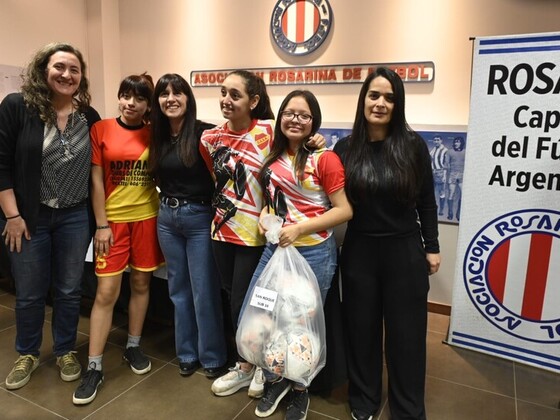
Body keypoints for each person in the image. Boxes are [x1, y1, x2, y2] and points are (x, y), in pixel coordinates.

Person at [200, 70, 325, 400]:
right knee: (231, 294)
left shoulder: (269, 131)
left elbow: (297, 144)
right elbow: (216, 178)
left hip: (259, 235)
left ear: (254, 101)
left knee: (254, 302)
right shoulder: (210, 138)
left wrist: (318, 140)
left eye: (235, 95)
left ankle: (255, 364)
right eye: (223, 93)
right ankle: (247, 362)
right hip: (221, 229)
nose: (227, 100)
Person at [333, 67, 440, 420]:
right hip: (360, 251)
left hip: (404, 251)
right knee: (361, 331)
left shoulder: (412, 145)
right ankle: (364, 400)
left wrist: (432, 245)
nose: (380, 103)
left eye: (389, 97)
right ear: (363, 99)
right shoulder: (345, 148)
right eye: (374, 95)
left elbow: (427, 200)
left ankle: (407, 408)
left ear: (399, 104)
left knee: (406, 337)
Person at [0, 43, 100, 390]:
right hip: (29, 218)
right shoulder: (18, 107)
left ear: (80, 77)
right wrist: (12, 216)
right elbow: (1, 166)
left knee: (70, 289)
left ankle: (64, 350)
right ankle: (27, 353)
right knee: (29, 291)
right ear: (44, 70)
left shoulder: (89, 116)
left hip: (74, 217)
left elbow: (97, 171)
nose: (66, 75)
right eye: (60, 67)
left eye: (74, 70)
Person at [247, 90, 352, 420]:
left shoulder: (325, 159)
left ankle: (300, 390)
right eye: (289, 113)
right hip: (274, 252)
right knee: (264, 314)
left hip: (314, 255)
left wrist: (300, 229)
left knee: (300, 326)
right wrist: (267, 219)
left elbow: (345, 210)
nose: (295, 119)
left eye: (303, 115)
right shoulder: (273, 157)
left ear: (313, 122)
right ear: (280, 118)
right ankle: (275, 379)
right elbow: (272, 201)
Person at [72, 74, 164, 405]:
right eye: (125, 96)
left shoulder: (156, 132)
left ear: (147, 105)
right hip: (112, 224)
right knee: (106, 292)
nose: (130, 103)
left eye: (138, 99)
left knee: (141, 285)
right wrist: (101, 225)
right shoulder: (102, 129)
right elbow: (96, 182)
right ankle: (94, 366)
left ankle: (133, 347)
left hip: (147, 220)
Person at [148, 74, 227, 380]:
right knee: (177, 289)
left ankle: (212, 356)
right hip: (166, 218)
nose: (171, 98)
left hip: (198, 218)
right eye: (164, 93)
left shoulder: (205, 133)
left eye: (177, 92)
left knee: (203, 290)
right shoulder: (157, 135)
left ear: (188, 98)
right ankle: (186, 352)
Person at [446, 136, 465, 221]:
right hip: (453, 174)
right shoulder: (450, 152)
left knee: (462, 194)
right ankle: (450, 213)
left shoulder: (465, 152)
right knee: (451, 193)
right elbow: (447, 164)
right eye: (455, 142)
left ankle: (459, 214)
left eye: (458, 142)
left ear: (461, 143)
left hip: (462, 174)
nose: (456, 143)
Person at [429, 135, 448, 216]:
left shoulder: (445, 150)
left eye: (438, 140)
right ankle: (431, 209)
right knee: (431, 192)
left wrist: (444, 176)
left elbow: (446, 164)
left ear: (441, 141)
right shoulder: (434, 149)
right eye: (435, 140)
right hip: (432, 172)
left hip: (440, 172)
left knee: (441, 192)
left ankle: (441, 210)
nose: (436, 141)